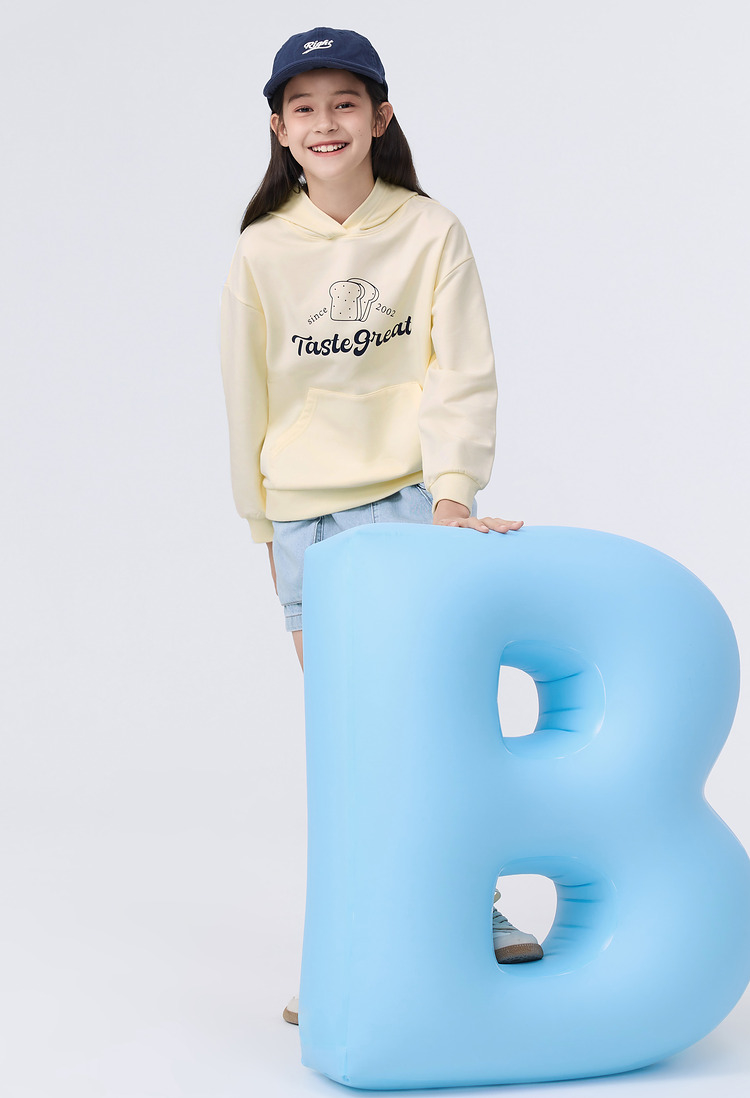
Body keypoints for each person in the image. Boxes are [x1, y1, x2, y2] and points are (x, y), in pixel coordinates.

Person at [219, 26, 543, 1027]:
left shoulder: (431, 231)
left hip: (412, 501)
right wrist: (262, 526)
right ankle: (350, 951)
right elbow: (246, 396)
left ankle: (474, 908)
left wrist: (452, 495)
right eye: (304, 107)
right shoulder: (260, 250)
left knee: (437, 722)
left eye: (345, 103)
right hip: (305, 519)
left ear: (380, 117)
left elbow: (461, 370)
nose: (326, 123)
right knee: (354, 743)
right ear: (279, 129)